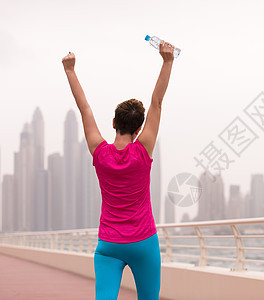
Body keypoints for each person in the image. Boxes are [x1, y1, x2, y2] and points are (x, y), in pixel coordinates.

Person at [62, 39, 175, 300]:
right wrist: (168, 62)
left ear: (113, 122)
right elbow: (156, 103)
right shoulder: (142, 150)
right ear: (139, 130)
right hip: (144, 242)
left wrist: (70, 70)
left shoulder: (100, 153)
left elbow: (84, 108)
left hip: (109, 245)